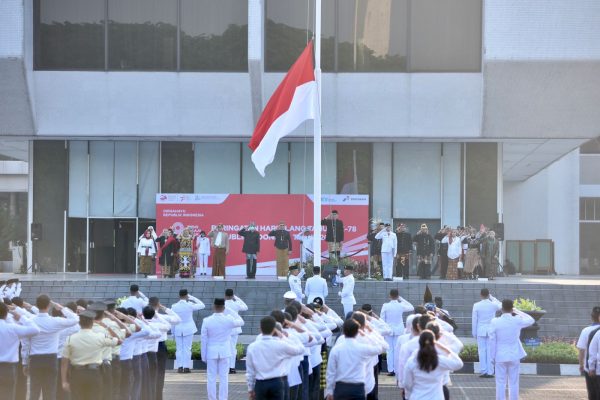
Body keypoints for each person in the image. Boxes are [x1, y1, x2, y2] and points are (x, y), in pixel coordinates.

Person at [23, 294, 80, 400]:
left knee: (34, 392)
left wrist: (25, 362)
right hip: (51, 359)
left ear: (37, 305)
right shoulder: (55, 321)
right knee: (49, 392)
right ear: (49, 305)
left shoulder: (31, 321)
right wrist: (61, 308)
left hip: (35, 359)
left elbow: (26, 344)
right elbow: (76, 319)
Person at [60, 310, 119, 400]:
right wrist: (106, 326)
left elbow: (64, 362)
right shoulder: (100, 336)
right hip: (94, 374)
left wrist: (64, 381)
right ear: (92, 322)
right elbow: (118, 340)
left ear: (79, 323)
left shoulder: (70, 338)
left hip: (77, 374)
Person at [325, 319, 387, 400]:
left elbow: (331, 372)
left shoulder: (336, 349)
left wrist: (330, 391)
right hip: (358, 387)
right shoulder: (361, 348)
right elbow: (383, 347)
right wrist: (369, 333)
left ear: (344, 331)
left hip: (341, 387)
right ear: (357, 331)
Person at [246, 316, 305, 400]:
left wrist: (250, 388)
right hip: (276, 382)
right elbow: (300, 349)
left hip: (260, 383)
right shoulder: (280, 344)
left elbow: (250, 371)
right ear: (274, 329)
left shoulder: (252, 347)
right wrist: (283, 337)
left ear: (260, 328)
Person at [489, 299, 535, 400]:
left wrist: (492, 357)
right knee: (514, 382)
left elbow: (492, 341)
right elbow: (531, 320)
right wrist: (517, 311)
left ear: (501, 308)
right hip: (514, 355)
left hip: (500, 355)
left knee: (500, 382)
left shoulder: (495, 322)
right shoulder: (517, 320)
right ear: (512, 308)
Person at [200, 298, 245, 400]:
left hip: (211, 351)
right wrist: (230, 310)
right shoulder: (228, 319)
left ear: (213, 307)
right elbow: (241, 322)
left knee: (211, 378)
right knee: (224, 377)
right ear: (224, 308)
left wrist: (203, 355)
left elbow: (204, 339)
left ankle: (212, 398)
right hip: (225, 351)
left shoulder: (207, 321)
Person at [402, 330, 464, 400]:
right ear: (434, 343)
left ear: (419, 343)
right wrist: (445, 349)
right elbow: (459, 364)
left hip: (417, 396)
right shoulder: (439, 360)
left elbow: (407, 384)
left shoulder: (412, 361)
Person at [0, 302, 40, 400]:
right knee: (7, 396)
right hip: (8, 367)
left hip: (9, 367)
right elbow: (35, 330)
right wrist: (21, 317)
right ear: (6, 314)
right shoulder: (12, 328)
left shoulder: (12, 327)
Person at [148, 297, 181, 400]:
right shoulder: (163, 318)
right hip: (160, 347)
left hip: (146, 348)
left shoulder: (143, 318)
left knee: (147, 374)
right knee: (160, 374)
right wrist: (164, 308)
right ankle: (158, 397)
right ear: (158, 304)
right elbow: (178, 320)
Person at [380, 289, 414, 377]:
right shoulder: (401, 305)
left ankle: (391, 370)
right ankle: (397, 369)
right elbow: (411, 307)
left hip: (388, 330)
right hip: (399, 330)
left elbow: (382, 319)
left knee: (389, 350)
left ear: (390, 295)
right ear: (397, 296)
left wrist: (383, 330)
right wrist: (401, 299)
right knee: (397, 350)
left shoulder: (385, 306)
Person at [171, 289, 205, 373]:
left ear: (179, 296)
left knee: (179, 349)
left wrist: (172, 331)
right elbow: (202, 305)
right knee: (187, 348)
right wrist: (192, 298)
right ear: (187, 295)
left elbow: (173, 320)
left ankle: (180, 367)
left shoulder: (174, 306)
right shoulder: (190, 305)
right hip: (188, 329)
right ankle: (186, 367)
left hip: (178, 328)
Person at [472, 288, 501, 378]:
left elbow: (474, 320)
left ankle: (483, 371)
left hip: (480, 329)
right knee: (490, 351)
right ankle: (490, 371)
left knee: (482, 351)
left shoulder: (476, 305)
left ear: (480, 295)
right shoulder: (493, 304)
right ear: (488, 295)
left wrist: (474, 332)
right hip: (491, 330)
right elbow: (500, 305)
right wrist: (492, 298)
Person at [577, 306, 600, 400]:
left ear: (592, 317)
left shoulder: (586, 331)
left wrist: (581, 365)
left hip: (590, 369)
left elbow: (581, 350)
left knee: (592, 394)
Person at [225, 289, 248, 374]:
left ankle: (226, 367)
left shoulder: (223, 304)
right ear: (232, 295)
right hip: (235, 328)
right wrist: (237, 298)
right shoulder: (236, 304)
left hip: (226, 328)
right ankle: (232, 367)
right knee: (233, 348)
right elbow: (245, 307)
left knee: (226, 347)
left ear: (225, 295)